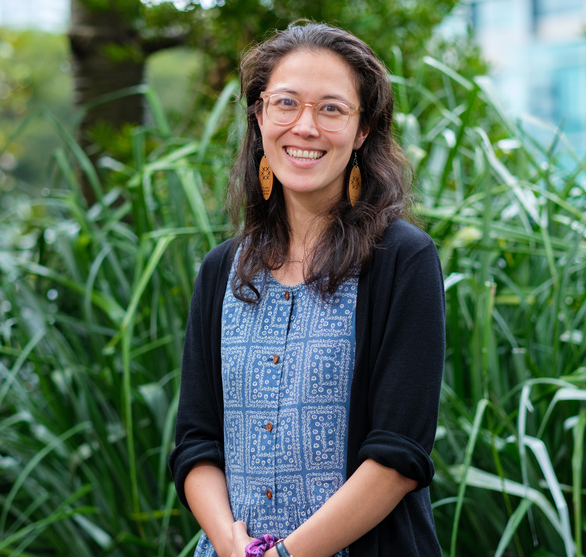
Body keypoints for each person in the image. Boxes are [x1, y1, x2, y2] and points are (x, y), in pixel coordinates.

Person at [169, 20, 445, 557]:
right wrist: (233, 545)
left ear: (363, 131)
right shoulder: (220, 269)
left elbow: (398, 457)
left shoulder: (402, 262)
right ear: (259, 117)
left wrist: (287, 556)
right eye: (286, 103)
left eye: (332, 109)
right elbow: (196, 444)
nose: (305, 127)